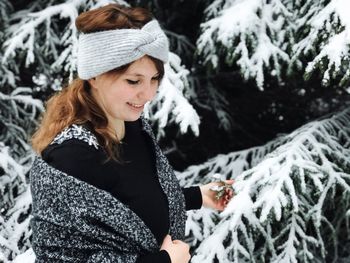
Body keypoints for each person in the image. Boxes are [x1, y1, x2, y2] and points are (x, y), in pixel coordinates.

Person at [29, 3, 234, 263]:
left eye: (154, 79)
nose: (147, 94)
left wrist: (199, 195)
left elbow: (129, 204)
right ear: (94, 75)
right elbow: (60, 258)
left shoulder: (133, 130)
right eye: (133, 81)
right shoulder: (70, 158)